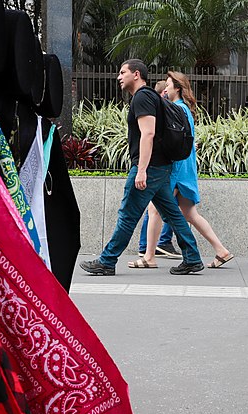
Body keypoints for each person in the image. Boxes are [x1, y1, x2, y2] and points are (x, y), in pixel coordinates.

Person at [80, 59, 204, 275]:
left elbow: (148, 133)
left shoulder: (143, 97)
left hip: (151, 167)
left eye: (122, 72)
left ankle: (107, 261)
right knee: (172, 213)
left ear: (136, 74)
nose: (119, 77)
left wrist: (142, 170)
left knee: (128, 214)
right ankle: (192, 258)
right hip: (161, 166)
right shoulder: (151, 96)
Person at [129, 71, 233, 269]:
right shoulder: (184, 109)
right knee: (189, 213)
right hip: (186, 166)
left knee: (155, 209)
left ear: (177, 88)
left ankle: (150, 256)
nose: (165, 88)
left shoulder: (175, 109)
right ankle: (221, 250)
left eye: (168, 85)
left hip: (176, 167)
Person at [137, 81, 182, 260]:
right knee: (159, 209)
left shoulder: (164, 108)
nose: (166, 90)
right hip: (165, 167)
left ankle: (151, 248)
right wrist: (142, 170)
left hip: (160, 166)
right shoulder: (172, 109)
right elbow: (149, 135)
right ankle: (152, 247)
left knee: (161, 208)